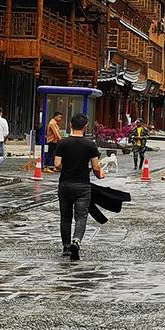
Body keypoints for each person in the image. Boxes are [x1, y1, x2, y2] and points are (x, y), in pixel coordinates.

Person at [55, 112, 104, 261]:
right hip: (83, 186)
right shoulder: (90, 145)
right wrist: (100, 175)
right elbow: (96, 167)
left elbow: (57, 165)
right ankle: (76, 241)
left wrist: (66, 168)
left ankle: (66, 247)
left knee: (65, 217)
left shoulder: (62, 143)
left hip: (65, 184)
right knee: (81, 217)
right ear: (85, 127)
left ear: (70, 125)